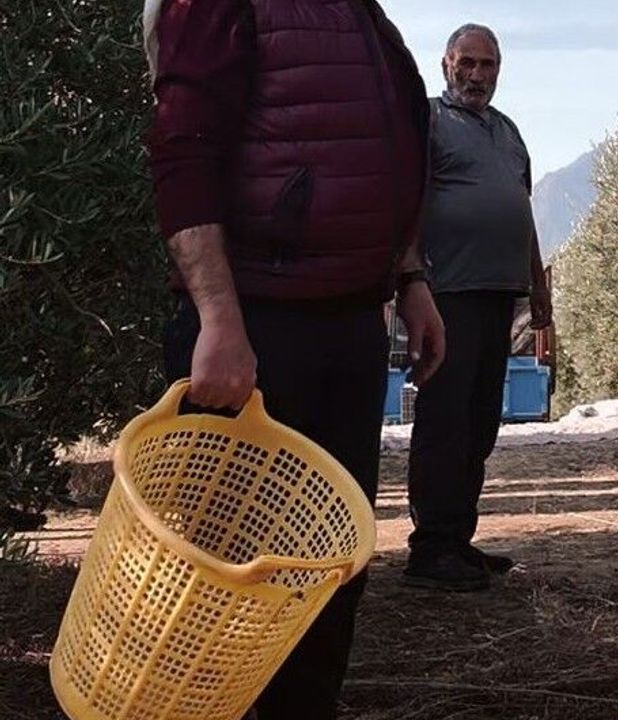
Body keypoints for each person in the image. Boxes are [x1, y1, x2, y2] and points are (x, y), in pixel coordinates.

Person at [144, 0, 444, 717]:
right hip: (253, 327)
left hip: (348, 325)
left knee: (331, 566)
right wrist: (218, 318)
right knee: (221, 568)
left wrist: (410, 278)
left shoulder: (362, 14)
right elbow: (184, 152)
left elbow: (396, 144)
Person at [403, 24, 552, 592]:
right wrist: (409, 278)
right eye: (466, 62)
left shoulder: (507, 132)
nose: (476, 74)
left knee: (480, 421)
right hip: (446, 294)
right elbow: (407, 201)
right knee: (445, 420)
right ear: (445, 64)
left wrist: (538, 286)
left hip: (499, 294)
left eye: (487, 65)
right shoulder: (427, 120)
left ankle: (456, 539)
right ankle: (430, 549)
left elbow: (522, 210)